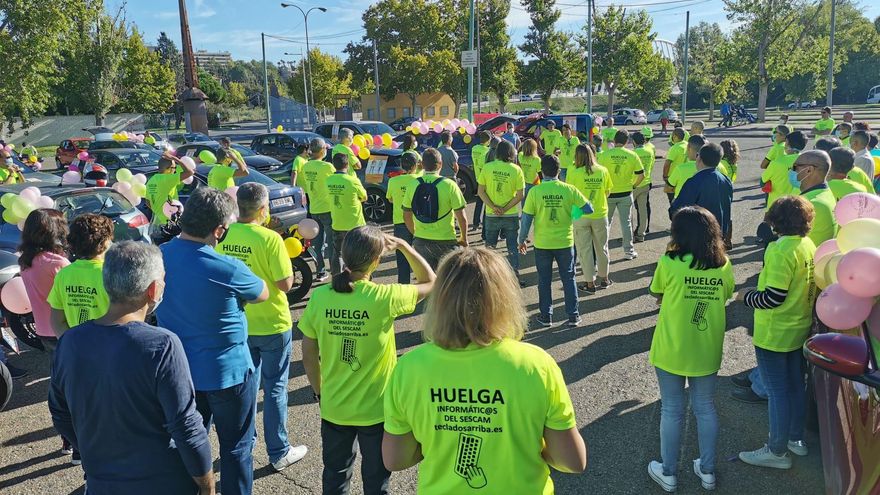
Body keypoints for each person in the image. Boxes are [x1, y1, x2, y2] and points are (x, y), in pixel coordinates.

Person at [382, 248, 587, 493]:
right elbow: (573, 461)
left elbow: (396, 459)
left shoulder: (409, 367)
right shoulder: (536, 364)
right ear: (505, 298)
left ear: (440, 300)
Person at [48, 242, 215, 495]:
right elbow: (186, 427)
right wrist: (207, 486)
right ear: (153, 289)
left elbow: (60, 413)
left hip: (101, 481)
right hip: (163, 481)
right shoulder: (162, 345)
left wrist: (93, 452)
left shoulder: (70, 341)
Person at [299, 225, 435, 495]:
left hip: (335, 405)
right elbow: (430, 281)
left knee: (335, 477)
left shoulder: (321, 297)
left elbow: (307, 353)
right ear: (376, 261)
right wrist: (406, 247)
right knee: (376, 481)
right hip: (376, 409)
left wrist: (318, 391)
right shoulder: (384, 297)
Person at [157, 187, 269, 495]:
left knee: (189, 445)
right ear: (219, 229)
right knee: (236, 448)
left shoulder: (159, 256)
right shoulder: (227, 267)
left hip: (180, 373)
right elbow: (263, 293)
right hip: (228, 374)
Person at [216, 183, 308, 472]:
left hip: (237, 322)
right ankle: (279, 450)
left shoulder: (223, 235)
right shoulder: (270, 238)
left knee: (245, 388)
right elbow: (285, 284)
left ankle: (247, 442)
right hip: (272, 322)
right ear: (264, 209)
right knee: (275, 388)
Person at [647, 207, 734, 492]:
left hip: (672, 345)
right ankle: (707, 470)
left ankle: (668, 471)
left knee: (672, 409)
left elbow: (656, 291)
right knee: (705, 408)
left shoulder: (670, 261)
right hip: (706, 347)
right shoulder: (722, 264)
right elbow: (725, 295)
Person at [737, 196, 817, 470]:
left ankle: (776, 450)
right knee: (796, 386)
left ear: (775, 220)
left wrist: (746, 297)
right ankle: (796, 439)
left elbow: (773, 297)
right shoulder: (808, 244)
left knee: (776, 391)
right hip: (799, 325)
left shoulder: (779, 249)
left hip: (775, 330)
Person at [18, 209, 72, 454]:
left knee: (58, 381)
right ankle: (76, 437)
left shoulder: (26, 262)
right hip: (65, 329)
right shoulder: (58, 264)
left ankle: (66, 437)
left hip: (43, 329)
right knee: (74, 385)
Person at [518, 155, 593, 327]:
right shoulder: (569, 189)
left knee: (544, 280)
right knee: (569, 278)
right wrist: (573, 214)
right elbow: (589, 208)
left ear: (541, 171)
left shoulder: (535, 192)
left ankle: (546, 316)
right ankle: (573, 315)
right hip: (565, 242)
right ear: (559, 171)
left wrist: (522, 240)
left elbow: (527, 219)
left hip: (542, 243)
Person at [402, 148, 468, 270]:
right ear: (440, 164)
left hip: (421, 240)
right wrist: (464, 238)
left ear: (421, 165)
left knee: (427, 281)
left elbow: (406, 215)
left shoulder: (413, 184)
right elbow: (461, 217)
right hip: (446, 240)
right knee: (447, 282)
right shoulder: (449, 185)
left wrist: (415, 232)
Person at [48, 214, 113, 337]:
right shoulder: (111, 273)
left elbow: (57, 321)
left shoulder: (64, 274)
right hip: (109, 346)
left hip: (78, 347)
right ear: (104, 242)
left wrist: (72, 345)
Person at [567, 144, 612, 293]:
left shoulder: (573, 172)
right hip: (599, 213)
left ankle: (589, 283)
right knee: (602, 248)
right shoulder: (602, 170)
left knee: (584, 250)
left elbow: (570, 194)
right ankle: (604, 279)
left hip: (579, 214)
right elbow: (607, 192)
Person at [671, 143, 734, 247]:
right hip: (719, 233)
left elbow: (679, 210)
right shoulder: (725, 180)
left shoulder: (694, 182)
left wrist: (673, 205)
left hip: (697, 236)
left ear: (699, 158)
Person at [477, 140, 524, 279]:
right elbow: (520, 195)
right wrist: (504, 208)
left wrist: (494, 207)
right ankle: (514, 275)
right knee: (512, 247)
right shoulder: (516, 170)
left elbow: (480, 191)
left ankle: (487, 275)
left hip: (491, 214)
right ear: (511, 153)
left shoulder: (487, 167)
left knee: (490, 248)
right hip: (510, 214)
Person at [599, 130, 644, 260]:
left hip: (608, 193)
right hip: (626, 192)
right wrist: (634, 185)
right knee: (626, 223)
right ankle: (629, 251)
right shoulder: (632, 155)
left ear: (614, 140)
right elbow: (641, 174)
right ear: (627, 141)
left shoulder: (605, 155)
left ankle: (603, 252)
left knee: (606, 223)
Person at [300, 138, 336, 282]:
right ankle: (335, 272)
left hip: (314, 208)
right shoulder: (327, 167)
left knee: (317, 243)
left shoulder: (306, 166)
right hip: (327, 208)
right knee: (332, 244)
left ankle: (320, 271)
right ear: (322, 150)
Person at [326, 153, 367, 275]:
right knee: (359, 252)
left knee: (338, 252)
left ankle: (336, 278)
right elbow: (364, 197)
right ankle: (359, 277)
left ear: (334, 165)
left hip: (338, 222)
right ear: (347, 165)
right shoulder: (353, 180)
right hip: (355, 223)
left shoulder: (328, 180)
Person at [386, 152, 421, 283]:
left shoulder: (393, 181)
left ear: (401, 166)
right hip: (418, 222)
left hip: (400, 222)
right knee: (420, 256)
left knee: (402, 258)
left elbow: (389, 199)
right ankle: (424, 284)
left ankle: (403, 286)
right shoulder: (419, 180)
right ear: (415, 165)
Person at [145, 154, 195, 242]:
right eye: (174, 168)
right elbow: (190, 172)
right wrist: (176, 159)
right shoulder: (167, 179)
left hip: (156, 223)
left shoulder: (152, 180)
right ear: (167, 169)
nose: (175, 170)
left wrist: (158, 211)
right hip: (170, 224)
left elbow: (147, 202)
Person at [792, 150, 837, 247]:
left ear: (809, 170)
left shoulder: (809, 203)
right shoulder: (826, 193)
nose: (792, 171)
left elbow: (790, 242)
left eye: (795, 167)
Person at [762, 131, 806, 211]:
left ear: (788, 143)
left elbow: (763, 180)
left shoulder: (776, 163)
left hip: (776, 205)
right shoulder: (807, 161)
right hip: (797, 205)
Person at [666, 135, 707, 200]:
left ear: (688, 148)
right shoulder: (715, 167)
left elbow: (667, 189)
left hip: (682, 204)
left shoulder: (680, 169)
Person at [632, 131, 655, 242]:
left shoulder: (633, 153)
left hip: (634, 184)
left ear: (634, 142)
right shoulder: (649, 151)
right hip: (646, 182)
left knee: (627, 211)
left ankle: (629, 235)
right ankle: (641, 234)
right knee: (643, 210)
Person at [470, 131, 492, 232]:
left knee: (479, 202)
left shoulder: (474, 148)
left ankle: (475, 223)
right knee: (486, 202)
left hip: (477, 177)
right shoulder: (488, 150)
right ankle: (485, 224)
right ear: (488, 140)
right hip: (486, 179)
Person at [662, 128, 688, 203]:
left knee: (673, 201)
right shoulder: (687, 145)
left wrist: (665, 176)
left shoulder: (674, 148)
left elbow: (667, 164)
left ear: (675, 136)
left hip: (673, 177)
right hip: (685, 176)